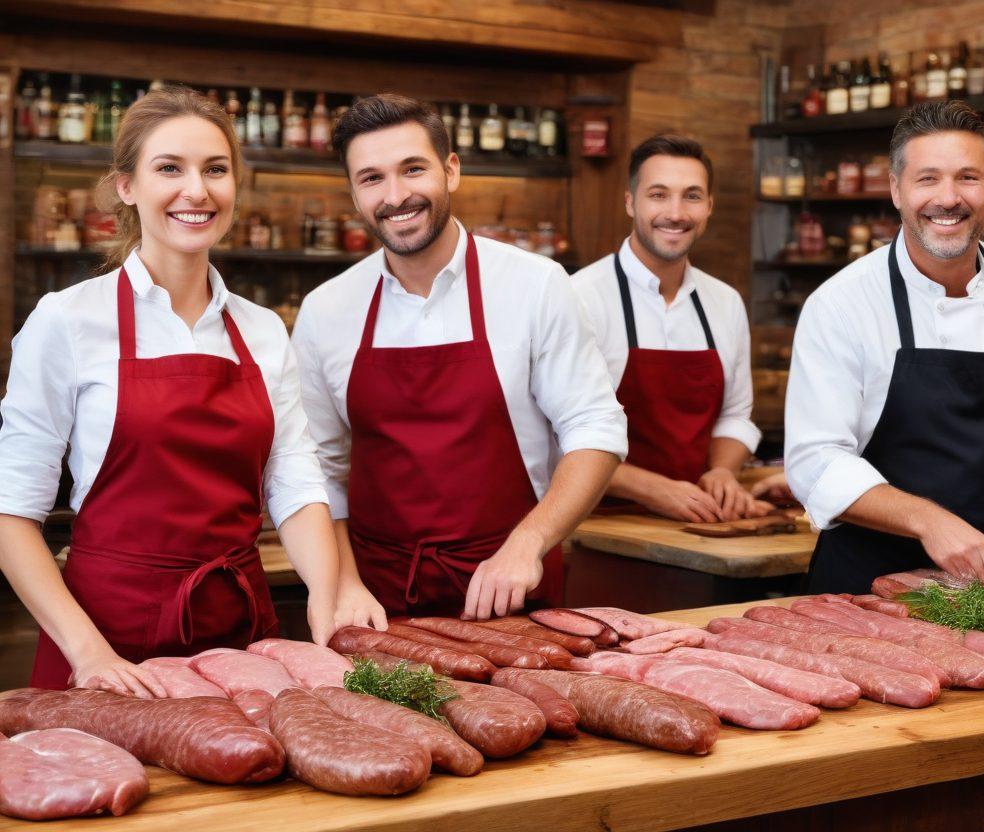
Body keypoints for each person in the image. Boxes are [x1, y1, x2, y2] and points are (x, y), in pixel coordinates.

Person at [0, 87, 379, 696]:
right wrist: (91, 655)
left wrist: (325, 598)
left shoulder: (260, 330)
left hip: (240, 633)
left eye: (216, 169)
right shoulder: (68, 321)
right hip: (105, 640)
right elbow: (10, 513)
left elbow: (295, 481)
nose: (197, 191)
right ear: (126, 186)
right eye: (169, 168)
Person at [292, 95, 626, 622]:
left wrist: (528, 544)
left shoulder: (535, 285)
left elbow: (595, 428)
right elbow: (318, 470)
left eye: (413, 169)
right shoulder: (326, 310)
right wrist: (345, 583)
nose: (396, 195)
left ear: (451, 170)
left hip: (513, 594)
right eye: (372, 178)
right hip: (375, 604)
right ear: (354, 194)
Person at [785, 100, 984, 595]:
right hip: (868, 586)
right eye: (928, 179)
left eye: (968, 178)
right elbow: (815, 462)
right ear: (896, 189)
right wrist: (926, 521)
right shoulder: (841, 303)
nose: (949, 198)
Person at [572, 135, 766, 523]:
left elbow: (735, 415)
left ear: (709, 206)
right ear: (630, 202)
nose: (676, 213)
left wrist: (723, 471)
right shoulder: (579, 297)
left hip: (697, 518)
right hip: (595, 520)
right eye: (658, 195)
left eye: (692, 196)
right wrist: (651, 489)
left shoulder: (724, 302)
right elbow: (560, 435)